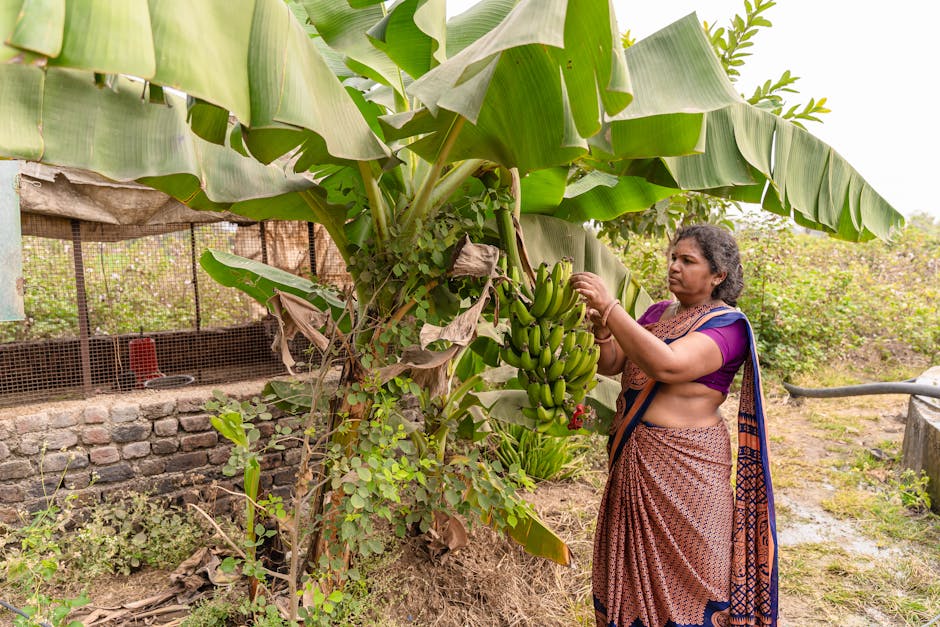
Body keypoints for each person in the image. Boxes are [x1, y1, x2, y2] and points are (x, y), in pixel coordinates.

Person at [569, 225, 777, 627]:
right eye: (673, 258)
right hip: (636, 462)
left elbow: (668, 364)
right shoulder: (656, 313)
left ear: (718, 275)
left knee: (699, 573)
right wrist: (602, 332)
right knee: (629, 576)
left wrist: (612, 308)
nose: (675, 267)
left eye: (688, 261)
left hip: (689, 470)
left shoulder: (729, 327)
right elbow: (614, 365)